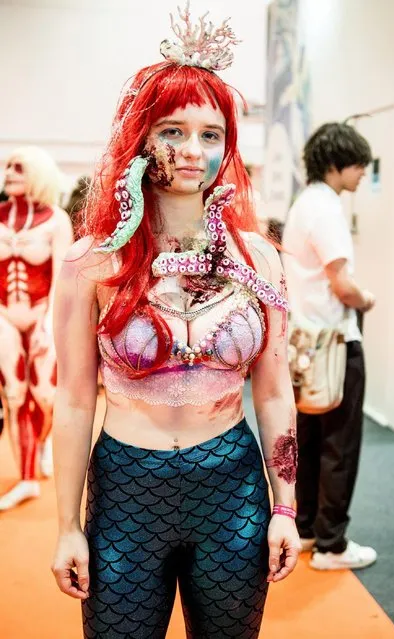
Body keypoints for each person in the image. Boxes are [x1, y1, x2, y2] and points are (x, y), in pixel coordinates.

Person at [51, 5, 300, 638]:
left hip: (233, 488)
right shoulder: (91, 263)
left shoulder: (260, 257)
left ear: (228, 147)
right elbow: (76, 401)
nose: (193, 151)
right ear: (140, 140)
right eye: (173, 131)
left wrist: (286, 509)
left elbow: (273, 391)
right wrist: (66, 526)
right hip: (126, 488)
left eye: (211, 135)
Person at [282, 122, 377, 570]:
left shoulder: (304, 204)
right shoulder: (327, 209)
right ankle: (332, 545)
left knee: (310, 439)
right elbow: (342, 284)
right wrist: (368, 299)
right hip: (334, 345)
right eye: (359, 163)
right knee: (339, 443)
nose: (363, 173)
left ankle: (306, 528)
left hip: (304, 344)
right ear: (338, 163)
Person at [0, 146, 73, 510]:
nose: (9, 173)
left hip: (43, 312)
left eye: (18, 168)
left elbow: (62, 275)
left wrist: (49, 324)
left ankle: (41, 444)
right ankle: (27, 477)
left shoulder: (56, 219)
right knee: (15, 394)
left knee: (44, 395)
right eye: (8, 167)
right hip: (4, 317)